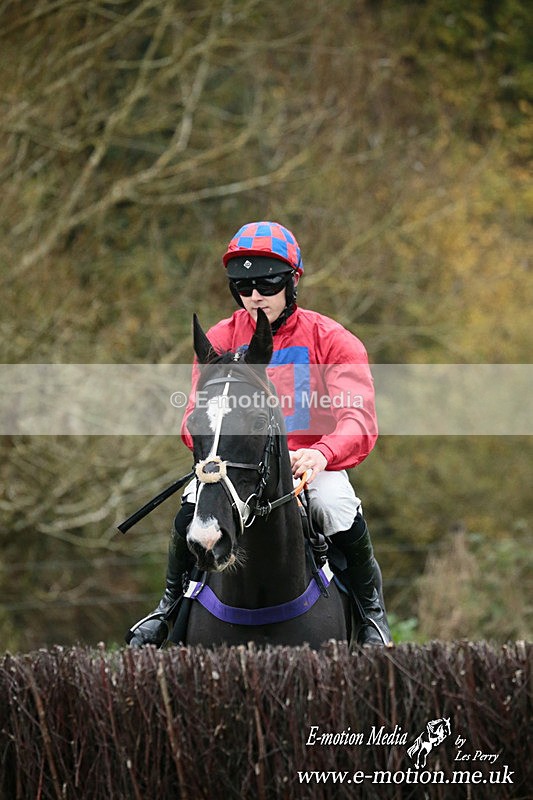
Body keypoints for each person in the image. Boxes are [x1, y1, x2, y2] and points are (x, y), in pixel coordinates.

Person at [128, 221, 392, 647]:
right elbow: (194, 415)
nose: (255, 296)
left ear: (292, 283)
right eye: (244, 286)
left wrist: (322, 454)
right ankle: (168, 607)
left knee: (334, 503)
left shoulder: (333, 340)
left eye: (267, 284)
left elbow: (359, 421)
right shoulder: (219, 338)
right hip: (237, 467)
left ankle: (370, 617)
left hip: (310, 465)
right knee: (192, 505)